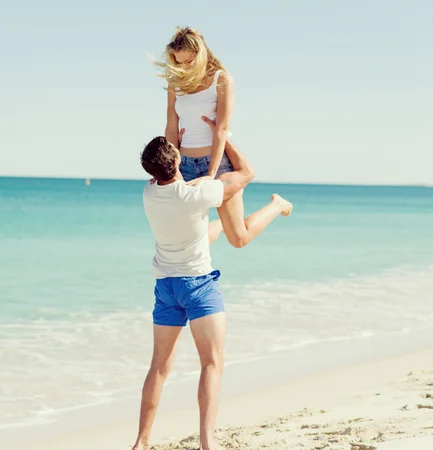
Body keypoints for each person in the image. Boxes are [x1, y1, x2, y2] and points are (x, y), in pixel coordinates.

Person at [133, 117, 292, 450]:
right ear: (177, 163)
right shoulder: (198, 194)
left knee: (159, 367)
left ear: (151, 173)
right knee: (211, 363)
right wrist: (225, 136)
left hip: (166, 287)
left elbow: (172, 181)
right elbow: (247, 174)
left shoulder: (150, 194)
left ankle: (142, 442)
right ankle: (208, 443)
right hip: (198, 287)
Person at [154, 26, 286, 249]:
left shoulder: (222, 79)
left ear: (200, 55)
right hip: (183, 165)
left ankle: (277, 204)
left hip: (217, 165)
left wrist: (211, 175)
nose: (183, 67)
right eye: (179, 62)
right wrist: (168, 169)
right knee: (190, 241)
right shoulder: (175, 83)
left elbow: (222, 129)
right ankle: (220, 225)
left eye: (188, 62)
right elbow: (171, 126)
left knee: (238, 239)